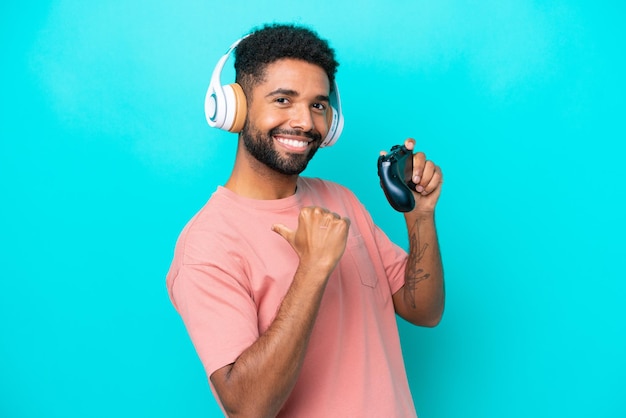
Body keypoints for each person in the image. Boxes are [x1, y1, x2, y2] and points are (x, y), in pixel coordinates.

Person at [166, 23, 445, 417]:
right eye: (283, 99)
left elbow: (424, 311)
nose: (304, 122)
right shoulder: (207, 244)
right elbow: (247, 408)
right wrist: (312, 269)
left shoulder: (340, 199)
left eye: (317, 104)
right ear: (234, 108)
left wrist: (420, 216)